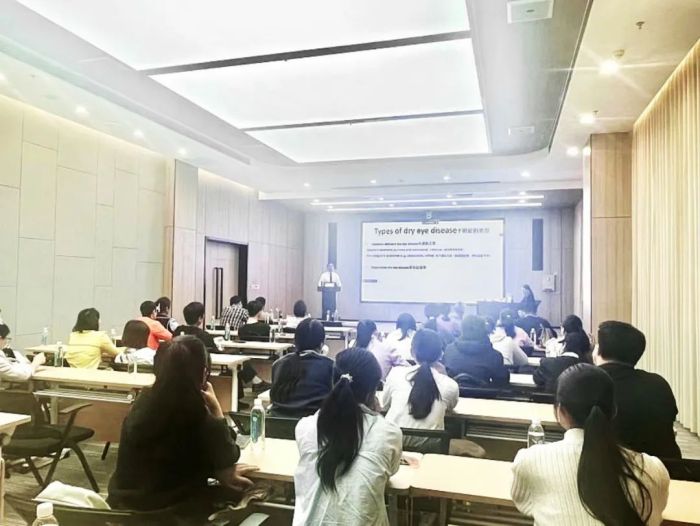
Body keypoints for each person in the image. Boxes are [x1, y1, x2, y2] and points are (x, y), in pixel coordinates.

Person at [108, 336, 258, 518]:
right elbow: (228, 455)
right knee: (254, 496)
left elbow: (167, 465)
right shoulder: (197, 415)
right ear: (203, 373)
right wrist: (217, 410)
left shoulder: (141, 404)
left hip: (124, 511)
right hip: (174, 515)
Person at [512, 364, 670, 525]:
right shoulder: (653, 470)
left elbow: (525, 504)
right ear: (613, 410)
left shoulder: (529, 460)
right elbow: (655, 515)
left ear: (560, 411)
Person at [293, 349, 402, 526]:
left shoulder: (305, 427)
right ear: (373, 391)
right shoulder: (388, 433)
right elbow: (390, 470)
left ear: (333, 383)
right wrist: (376, 416)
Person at [592, 321, 681, 459]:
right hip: (667, 466)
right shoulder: (658, 384)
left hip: (609, 466)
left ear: (599, 350)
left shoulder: (588, 383)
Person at [382, 329, 458, 451]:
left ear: (412, 352)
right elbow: (450, 408)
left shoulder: (395, 374)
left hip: (392, 443)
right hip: (431, 448)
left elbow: (385, 405)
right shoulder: (450, 385)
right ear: (440, 354)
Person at [270, 319, 334, 416]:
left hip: (276, 422)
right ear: (322, 344)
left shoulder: (278, 364)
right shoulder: (331, 366)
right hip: (313, 423)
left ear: (295, 341)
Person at [443, 315, 509, 386]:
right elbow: (502, 383)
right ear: (484, 330)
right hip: (484, 392)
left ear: (462, 329)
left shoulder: (449, 350)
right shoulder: (494, 356)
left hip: (452, 392)